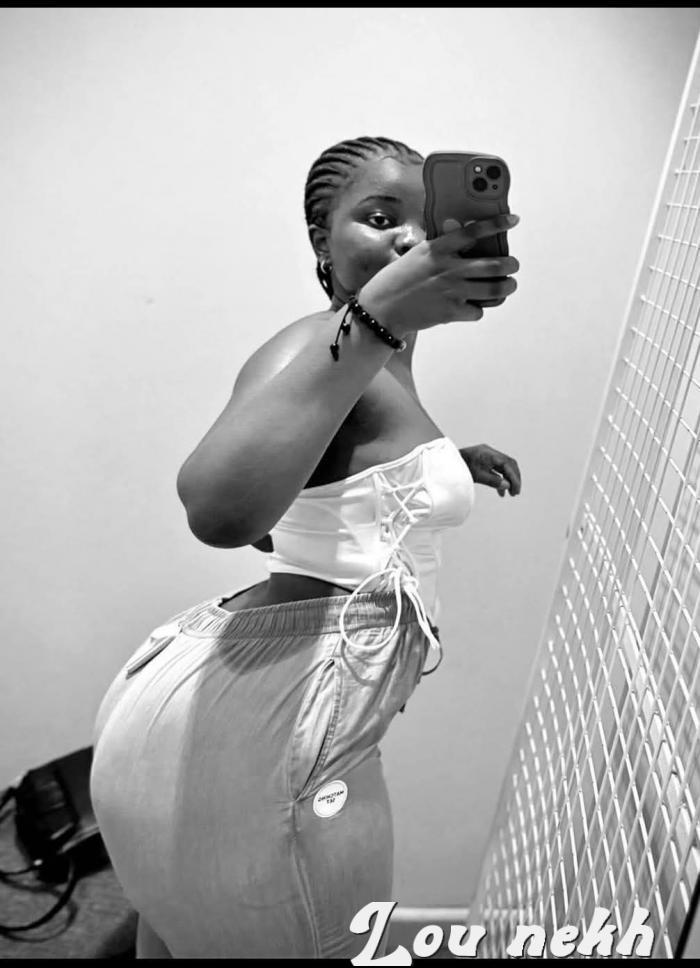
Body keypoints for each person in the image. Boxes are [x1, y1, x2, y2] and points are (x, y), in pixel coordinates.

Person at [89, 135, 522, 959]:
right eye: (380, 217)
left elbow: (284, 508)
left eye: (426, 221)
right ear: (323, 241)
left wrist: (444, 466)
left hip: (244, 711)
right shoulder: (321, 344)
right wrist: (376, 317)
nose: (408, 237)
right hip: (262, 731)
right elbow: (221, 510)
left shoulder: (372, 367)